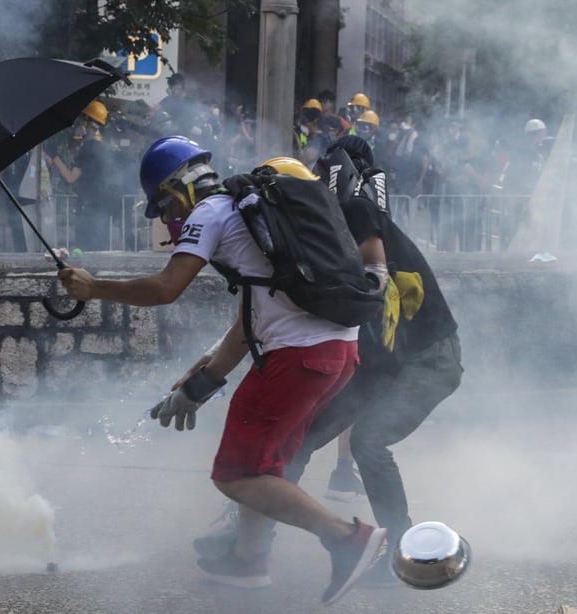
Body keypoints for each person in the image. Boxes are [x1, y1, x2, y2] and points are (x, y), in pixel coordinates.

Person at [58, 137, 388, 606]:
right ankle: (247, 561)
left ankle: (349, 539)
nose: (170, 215)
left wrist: (94, 288)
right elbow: (256, 315)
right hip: (338, 353)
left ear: (181, 185)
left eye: (167, 203)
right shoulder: (250, 212)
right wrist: (206, 379)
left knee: (235, 474)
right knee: (266, 468)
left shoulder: (210, 213)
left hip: (297, 359)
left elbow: (166, 288)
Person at [194, 137, 463, 585]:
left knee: (369, 442)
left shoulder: (356, 218)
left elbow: (366, 271)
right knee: (294, 443)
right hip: (374, 363)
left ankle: (398, 550)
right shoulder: (329, 231)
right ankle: (249, 543)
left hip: (424, 359)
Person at [47, 100, 116, 251]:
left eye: (81, 121)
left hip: (88, 207)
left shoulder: (88, 149)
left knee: (85, 249)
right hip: (101, 207)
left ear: (89, 126)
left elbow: (70, 178)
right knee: (99, 250)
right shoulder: (101, 149)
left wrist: (54, 156)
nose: (77, 126)